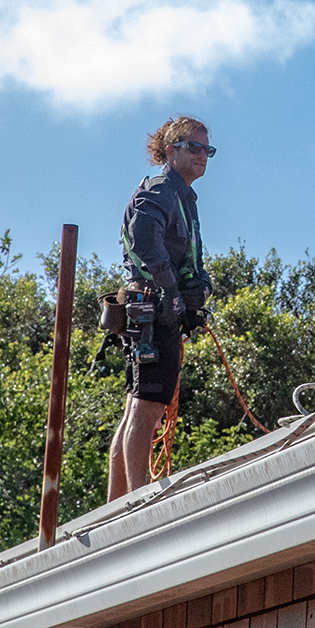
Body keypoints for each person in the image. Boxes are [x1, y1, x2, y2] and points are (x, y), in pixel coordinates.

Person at [109, 114, 215, 498]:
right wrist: (171, 292)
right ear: (171, 151)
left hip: (161, 312)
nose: (203, 155)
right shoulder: (158, 191)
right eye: (194, 147)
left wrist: (197, 292)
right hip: (152, 312)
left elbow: (184, 258)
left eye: (208, 149)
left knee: (137, 409)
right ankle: (136, 503)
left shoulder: (182, 197)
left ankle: (118, 504)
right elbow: (144, 244)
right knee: (147, 410)